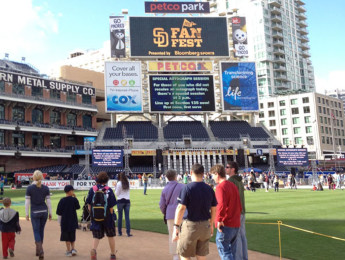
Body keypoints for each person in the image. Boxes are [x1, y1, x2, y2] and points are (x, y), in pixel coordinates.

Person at [173, 163, 217, 260]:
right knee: (201, 255)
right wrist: (211, 224)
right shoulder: (209, 189)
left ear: (191, 172)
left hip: (191, 225)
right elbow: (214, 209)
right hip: (205, 225)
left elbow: (181, 208)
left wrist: (176, 226)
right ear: (203, 174)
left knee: (184, 254)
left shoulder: (187, 188)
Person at [211, 165, 242, 260]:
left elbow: (221, 205)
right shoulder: (233, 185)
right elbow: (239, 205)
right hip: (235, 223)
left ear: (217, 174)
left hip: (226, 223)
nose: (212, 177)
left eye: (213, 175)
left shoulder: (220, 187)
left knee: (225, 252)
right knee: (233, 252)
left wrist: (219, 220)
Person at [86, 171, 117, 260]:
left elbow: (89, 205)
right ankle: (112, 254)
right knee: (110, 236)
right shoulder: (109, 190)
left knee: (96, 236)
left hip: (96, 217)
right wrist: (112, 216)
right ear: (106, 179)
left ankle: (94, 250)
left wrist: (93, 215)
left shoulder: (93, 189)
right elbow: (111, 207)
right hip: (107, 217)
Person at [25, 170, 52, 260]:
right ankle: (38, 250)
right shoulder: (45, 188)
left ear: (33, 177)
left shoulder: (29, 188)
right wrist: (51, 213)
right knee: (41, 231)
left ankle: (40, 250)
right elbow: (48, 202)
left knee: (36, 231)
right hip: (44, 211)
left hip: (35, 212)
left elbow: (27, 202)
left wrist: (26, 214)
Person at [159, 169, 185, 260]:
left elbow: (162, 205)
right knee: (183, 234)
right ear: (175, 176)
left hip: (170, 214)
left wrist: (165, 212)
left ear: (167, 177)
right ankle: (184, 255)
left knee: (172, 235)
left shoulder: (165, 189)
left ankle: (175, 256)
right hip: (182, 213)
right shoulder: (182, 186)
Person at [226, 161, 248, 260]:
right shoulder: (239, 180)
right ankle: (244, 257)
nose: (226, 168)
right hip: (242, 210)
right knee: (243, 236)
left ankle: (239, 258)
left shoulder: (231, 181)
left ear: (233, 169)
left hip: (236, 212)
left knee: (237, 237)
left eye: (227, 167)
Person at [56, 185, 80, 257]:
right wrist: (75, 198)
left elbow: (59, 212)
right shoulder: (74, 200)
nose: (73, 192)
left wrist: (59, 221)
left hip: (65, 221)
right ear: (70, 191)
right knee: (72, 235)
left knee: (67, 237)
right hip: (73, 220)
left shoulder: (62, 200)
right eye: (72, 190)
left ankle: (68, 250)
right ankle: (73, 249)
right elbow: (78, 207)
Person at [115, 172, 132, 237]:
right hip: (127, 201)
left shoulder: (119, 183)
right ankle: (128, 233)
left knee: (120, 217)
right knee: (127, 217)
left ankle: (120, 232)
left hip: (120, 201)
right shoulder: (127, 182)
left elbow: (116, 193)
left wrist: (115, 188)